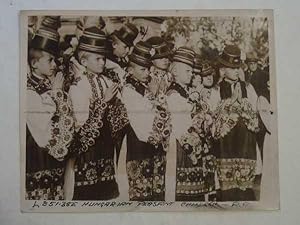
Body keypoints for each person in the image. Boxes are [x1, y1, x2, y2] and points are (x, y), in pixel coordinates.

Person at [68, 27, 120, 200]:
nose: (102, 63)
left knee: (106, 192)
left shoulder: (107, 81)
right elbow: (80, 127)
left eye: (104, 58)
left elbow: (119, 115)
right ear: (83, 62)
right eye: (97, 59)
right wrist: (104, 102)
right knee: (88, 193)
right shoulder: (78, 85)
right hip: (87, 150)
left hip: (106, 146)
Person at [26, 19, 75, 200]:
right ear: (34, 64)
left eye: (55, 60)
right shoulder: (29, 90)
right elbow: (43, 124)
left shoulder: (52, 83)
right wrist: (56, 93)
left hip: (53, 158)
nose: (55, 64)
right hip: (38, 154)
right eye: (50, 60)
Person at [122, 41, 172, 201]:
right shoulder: (128, 90)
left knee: (156, 194)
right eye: (142, 69)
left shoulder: (145, 87)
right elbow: (144, 124)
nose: (147, 73)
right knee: (141, 194)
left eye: (148, 69)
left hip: (154, 149)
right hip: (139, 146)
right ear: (130, 70)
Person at [166, 47, 216, 201]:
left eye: (192, 72)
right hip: (183, 148)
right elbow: (184, 125)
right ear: (175, 72)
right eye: (187, 71)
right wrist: (202, 117)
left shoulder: (187, 93)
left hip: (194, 145)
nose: (191, 75)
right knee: (185, 195)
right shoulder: (173, 94)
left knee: (197, 193)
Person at [213, 45, 261, 201]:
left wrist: (243, 104)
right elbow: (214, 120)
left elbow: (256, 115)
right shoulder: (215, 90)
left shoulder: (248, 88)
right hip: (225, 146)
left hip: (245, 145)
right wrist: (230, 103)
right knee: (227, 190)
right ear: (222, 70)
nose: (236, 71)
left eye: (237, 67)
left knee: (245, 190)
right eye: (231, 67)